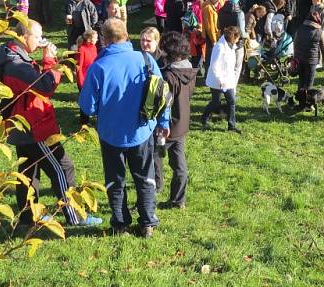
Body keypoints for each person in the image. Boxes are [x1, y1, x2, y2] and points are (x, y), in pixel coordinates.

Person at [0, 20, 102, 227]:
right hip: (34, 127)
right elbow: (45, 86)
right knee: (63, 168)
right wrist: (50, 60)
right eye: (38, 36)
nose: (42, 40)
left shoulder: (10, 55)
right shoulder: (16, 65)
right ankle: (75, 215)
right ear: (23, 37)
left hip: (20, 125)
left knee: (28, 173)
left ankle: (28, 217)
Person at [79, 18, 167, 236]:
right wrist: (164, 122)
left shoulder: (98, 67)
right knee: (145, 176)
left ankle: (120, 224)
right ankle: (147, 222)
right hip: (142, 130)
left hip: (111, 134)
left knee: (115, 180)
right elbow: (162, 94)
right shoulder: (146, 59)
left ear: (105, 40)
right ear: (127, 36)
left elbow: (87, 107)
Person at [155, 31, 197, 209]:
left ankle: (155, 188)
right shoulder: (190, 70)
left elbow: (164, 102)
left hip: (167, 126)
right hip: (182, 122)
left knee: (153, 158)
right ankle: (179, 199)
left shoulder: (169, 76)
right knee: (179, 163)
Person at [202, 25, 242, 133]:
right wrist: (220, 81)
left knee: (232, 101)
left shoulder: (231, 46)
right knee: (216, 102)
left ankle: (231, 125)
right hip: (217, 80)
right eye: (238, 38)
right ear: (233, 37)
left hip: (228, 81)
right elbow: (214, 66)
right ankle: (204, 117)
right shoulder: (219, 47)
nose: (238, 40)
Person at [294, 13, 324, 105]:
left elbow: (295, 42)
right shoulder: (319, 31)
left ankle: (300, 101)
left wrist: (295, 56)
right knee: (309, 83)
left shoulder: (300, 28)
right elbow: (323, 46)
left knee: (301, 80)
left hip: (300, 58)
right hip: (312, 60)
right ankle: (307, 102)